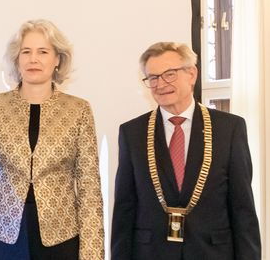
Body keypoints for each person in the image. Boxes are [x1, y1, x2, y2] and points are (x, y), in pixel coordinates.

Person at [0, 19, 104, 260]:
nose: (33, 59)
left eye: (43, 52)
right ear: (17, 59)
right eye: (26, 52)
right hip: (1, 235)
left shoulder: (78, 110)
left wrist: (92, 251)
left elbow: (89, 185)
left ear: (57, 59)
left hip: (61, 236)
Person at [111, 42, 261, 259]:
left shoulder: (229, 128)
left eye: (169, 74)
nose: (160, 84)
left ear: (192, 74)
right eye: (153, 78)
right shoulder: (132, 133)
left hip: (212, 252)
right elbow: (124, 210)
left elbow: (242, 208)